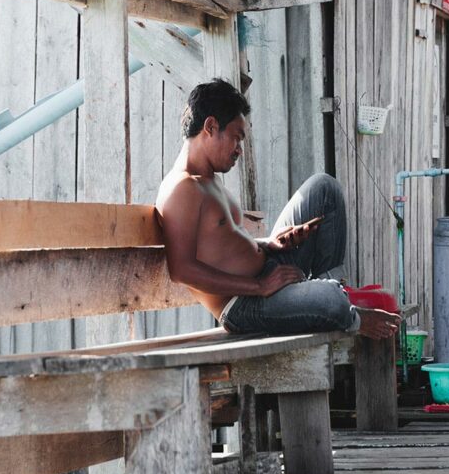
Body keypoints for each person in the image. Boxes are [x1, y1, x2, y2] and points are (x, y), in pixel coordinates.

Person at [156, 78, 399, 341]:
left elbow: (218, 244)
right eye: (236, 138)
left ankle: (333, 290)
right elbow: (182, 270)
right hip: (244, 304)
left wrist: (269, 244)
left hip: (270, 273)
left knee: (323, 188)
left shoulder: (209, 179)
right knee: (331, 300)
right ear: (211, 127)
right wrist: (259, 286)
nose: (239, 150)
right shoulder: (182, 189)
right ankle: (342, 306)